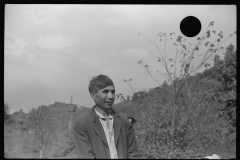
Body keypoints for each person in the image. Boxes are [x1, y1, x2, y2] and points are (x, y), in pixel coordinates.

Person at [73, 74, 139, 159]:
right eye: (105, 92)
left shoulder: (124, 121)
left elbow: (134, 153)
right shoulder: (82, 125)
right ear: (93, 95)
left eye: (113, 92)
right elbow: (87, 156)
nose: (111, 96)